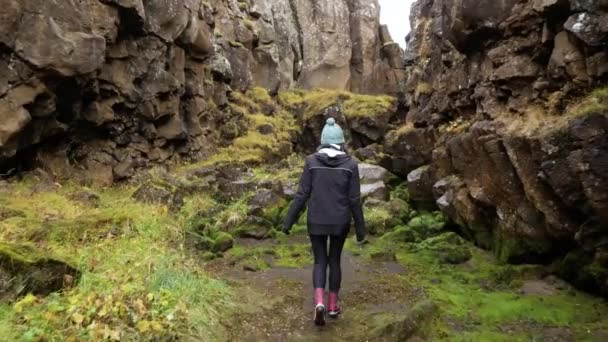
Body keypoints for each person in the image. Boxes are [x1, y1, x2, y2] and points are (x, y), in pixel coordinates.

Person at [282, 117, 367, 326]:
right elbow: (354, 199)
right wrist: (361, 229)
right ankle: (332, 306)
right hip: (340, 221)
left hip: (316, 220)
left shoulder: (311, 162)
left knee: (320, 260)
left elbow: (302, 194)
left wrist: (288, 222)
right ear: (341, 142)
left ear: (322, 141)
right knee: (334, 260)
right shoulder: (350, 164)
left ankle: (319, 302)